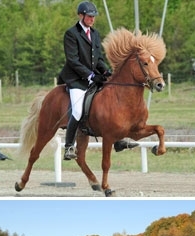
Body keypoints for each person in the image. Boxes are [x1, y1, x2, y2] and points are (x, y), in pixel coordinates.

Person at [58, 1, 138, 160]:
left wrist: (106, 71)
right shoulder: (71, 34)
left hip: (93, 76)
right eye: (89, 16)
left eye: (94, 16)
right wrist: (90, 75)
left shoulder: (94, 33)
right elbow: (73, 60)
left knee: (111, 102)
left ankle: (117, 141)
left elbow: (98, 58)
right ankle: (68, 147)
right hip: (76, 79)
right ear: (81, 15)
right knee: (78, 111)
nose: (92, 19)